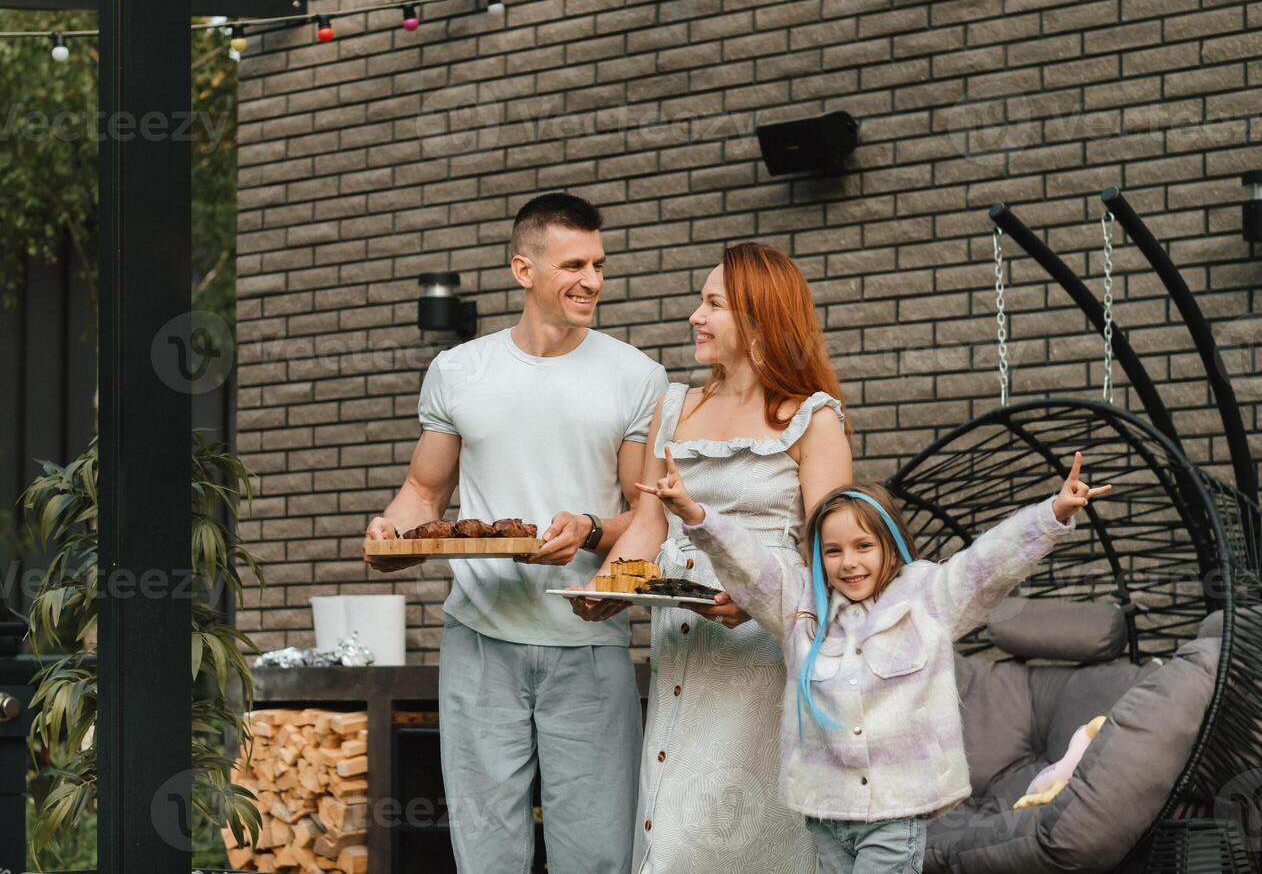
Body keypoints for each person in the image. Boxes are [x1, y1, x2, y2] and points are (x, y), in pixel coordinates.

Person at [363, 192, 668, 874]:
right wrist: (390, 532)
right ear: (523, 270)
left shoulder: (637, 377)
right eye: (574, 265)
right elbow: (424, 492)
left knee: (595, 858)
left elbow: (645, 517)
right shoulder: (459, 371)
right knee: (486, 855)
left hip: (588, 644)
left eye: (599, 263)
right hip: (479, 641)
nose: (592, 280)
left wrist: (590, 531)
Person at [642, 450, 1111, 873]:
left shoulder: (930, 598)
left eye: (863, 546)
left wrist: (1053, 513)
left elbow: (990, 562)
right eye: (833, 551)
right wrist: (693, 513)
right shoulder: (800, 607)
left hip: (893, 815)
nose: (849, 562)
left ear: (890, 546)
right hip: (825, 816)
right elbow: (748, 562)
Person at [571, 242, 852, 874]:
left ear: (758, 319)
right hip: (682, 647)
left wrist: (757, 598)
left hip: (766, 658)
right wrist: (610, 587)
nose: (695, 316)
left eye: (712, 303)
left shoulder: (813, 420)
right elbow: (648, 524)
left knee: (740, 835)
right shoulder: (673, 408)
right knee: (669, 828)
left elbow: (829, 557)